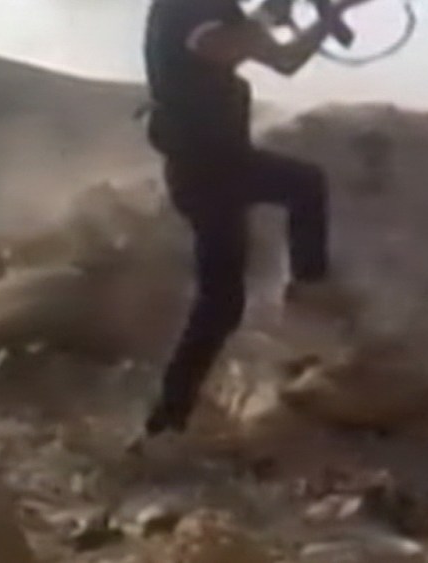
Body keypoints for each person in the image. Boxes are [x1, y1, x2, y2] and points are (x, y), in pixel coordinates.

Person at [137, 0, 370, 442]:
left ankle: (167, 418)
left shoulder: (221, 11)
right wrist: (266, 16)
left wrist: (329, 17)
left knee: (221, 304)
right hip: (208, 169)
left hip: (220, 167)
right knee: (304, 185)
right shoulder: (184, 7)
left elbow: (285, 61)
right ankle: (308, 288)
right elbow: (215, 45)